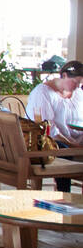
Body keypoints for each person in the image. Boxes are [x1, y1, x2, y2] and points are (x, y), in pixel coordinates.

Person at [26, 61, 83, 192]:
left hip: (75, 137)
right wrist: (75, 146)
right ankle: (64, 193)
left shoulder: (78, 94)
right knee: (62, 149)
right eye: (75, 82)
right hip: (49, 141)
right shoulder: (42, 93)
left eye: (81, 84)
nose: (78, 87)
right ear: (64, 75)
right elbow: (48, 130)